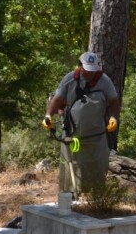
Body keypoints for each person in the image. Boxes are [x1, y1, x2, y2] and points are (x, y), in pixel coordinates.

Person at [42, 51, 120, 195]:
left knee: (97, 165)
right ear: (80, 66)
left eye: (92, 70)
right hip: (72, 135)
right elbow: (57, 100)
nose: (90, 73)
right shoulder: (69, 79)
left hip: (96, 136)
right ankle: (71, 196)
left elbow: (114, 101)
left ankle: (96, 196)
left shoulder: (104, 81)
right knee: (71, 166)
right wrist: (48, 116)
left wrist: (114, 118)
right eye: (87, 70)